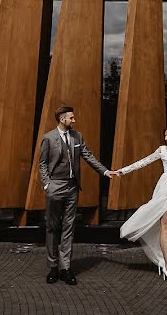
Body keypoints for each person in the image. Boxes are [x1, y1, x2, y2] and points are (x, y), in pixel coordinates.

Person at [39, 104, 115, 285]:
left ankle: (65, 268)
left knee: (68, 228)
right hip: (55, 187)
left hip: (72, 188)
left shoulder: (77, 136)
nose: (74, 120)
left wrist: (105, 172)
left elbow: (88, 156)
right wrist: (47, 185)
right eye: (71, 118)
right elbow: (42, 164)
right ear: (62, 119)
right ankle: (53, 267)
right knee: (52, 227)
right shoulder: (48, 138)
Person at [112, 125, 167, 285]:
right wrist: (122, 171)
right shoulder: (162, 150)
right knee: (165, 226)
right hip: (165, 188)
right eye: (165, 136)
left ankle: (164, 261)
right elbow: (144, 162)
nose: (166, 138)